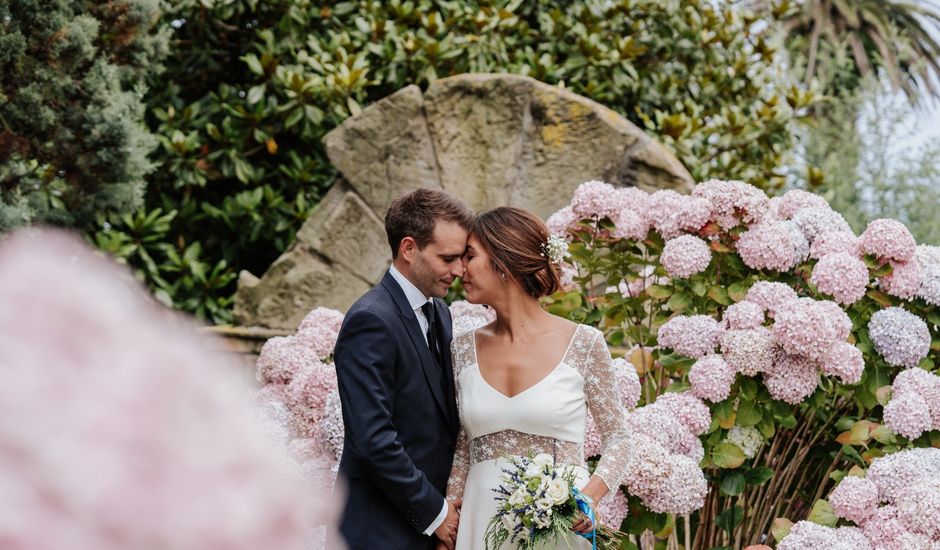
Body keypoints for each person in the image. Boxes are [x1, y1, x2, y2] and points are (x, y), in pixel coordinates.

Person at [443, 207, 631, 549]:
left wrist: (587, 499)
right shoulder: (461, 349)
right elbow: (462, 449)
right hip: (480, 526)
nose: (460, 269)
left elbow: (619, 439)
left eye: (470, 256)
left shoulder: (584, 343)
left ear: (503, 262)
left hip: (559, 531)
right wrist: (448, 531)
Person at [332, 188, 474, 550]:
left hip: (429, 527)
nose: (459, 270)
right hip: (379, 529)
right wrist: (435, 513)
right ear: (409, 248)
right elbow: (373, 440)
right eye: (448, 258)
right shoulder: (371, 320)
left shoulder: (438, 311)